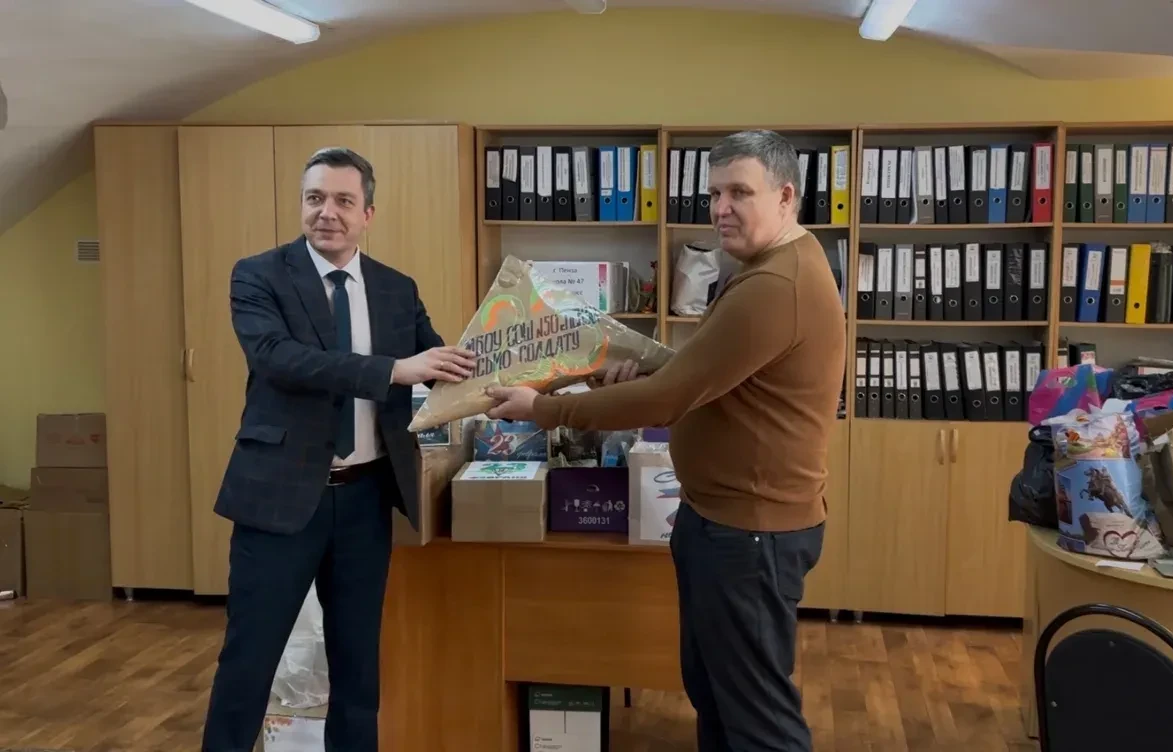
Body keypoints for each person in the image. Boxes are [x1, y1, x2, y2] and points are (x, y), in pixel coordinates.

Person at [487, 129, 846, 751]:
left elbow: (668, 401)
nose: (721, 209)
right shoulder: (772, 265)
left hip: (749, 532)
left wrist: (543, 409)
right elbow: (709, 374)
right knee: (718, 697)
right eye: (714, 194)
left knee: (759, 721)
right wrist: (651, 370)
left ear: (786, 196)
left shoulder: (774, 286)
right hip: (727, 521)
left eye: (740, 193)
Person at [201, 147, 475, 752]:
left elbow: (437, 368)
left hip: (364, 501)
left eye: (343, 201)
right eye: (315, 198)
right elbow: (279, 358)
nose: (327, 212)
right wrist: (392, 370)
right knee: (248, 663)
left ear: (367, 214)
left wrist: (513, 378)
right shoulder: (258, 275)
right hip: (278, 498)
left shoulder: (396, 288)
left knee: (358, 669)